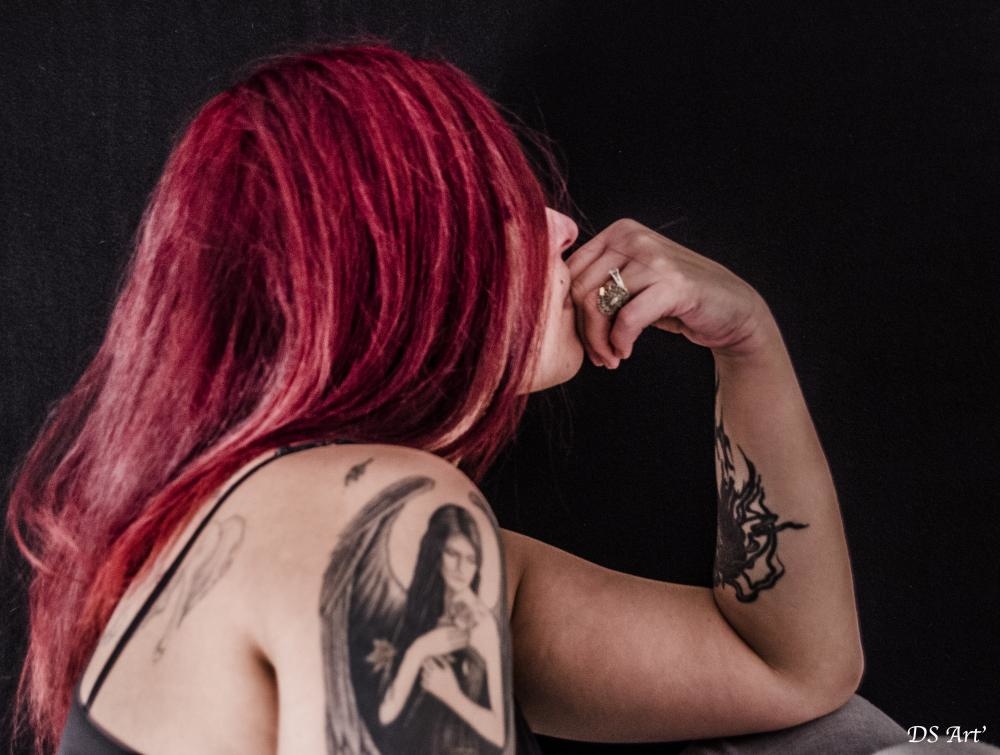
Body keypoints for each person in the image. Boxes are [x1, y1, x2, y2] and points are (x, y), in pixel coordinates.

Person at [6, 38, 917, 755]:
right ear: (391, 268)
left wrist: (747, 344)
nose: (562, 225)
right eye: (503, 204)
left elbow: (794, 670)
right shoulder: (380, 513)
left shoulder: (318, 520)